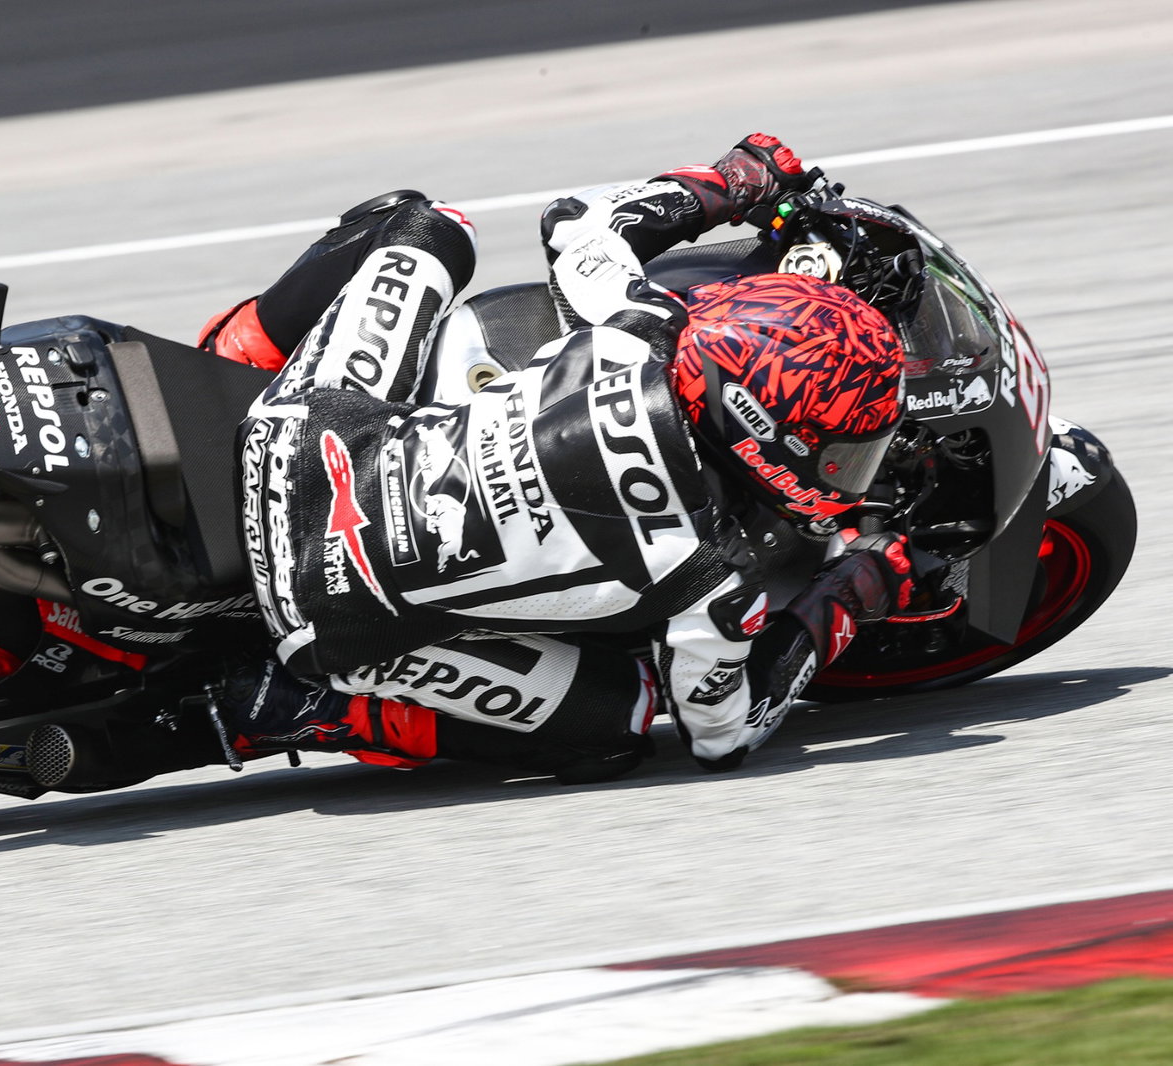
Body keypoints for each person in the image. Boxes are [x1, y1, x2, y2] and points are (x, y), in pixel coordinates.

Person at [198, 134, 916, 781]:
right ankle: (322, 708)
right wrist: (851, 591)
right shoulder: (708, 574)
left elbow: (580, 220)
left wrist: (733, 183)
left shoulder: (641, 326)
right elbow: (723, 734)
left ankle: (236, 353)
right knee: (619, 723)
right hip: (321, 617)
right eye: (839, 451)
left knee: (427, 226)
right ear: (759, 423)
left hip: (290, 440)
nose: (843, 470)